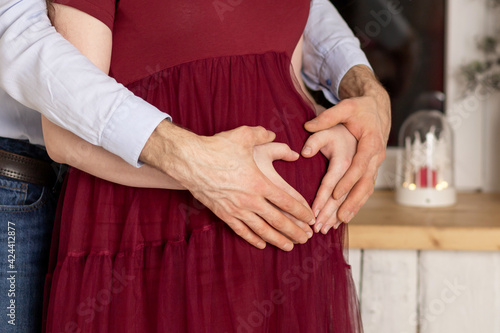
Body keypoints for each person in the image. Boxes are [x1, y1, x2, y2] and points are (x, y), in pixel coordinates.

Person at [0, 0, 389, 332]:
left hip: (289, 241)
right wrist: (201, 170)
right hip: (160, 230)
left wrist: (331, 122)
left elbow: (278, 74)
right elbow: (64, 126)